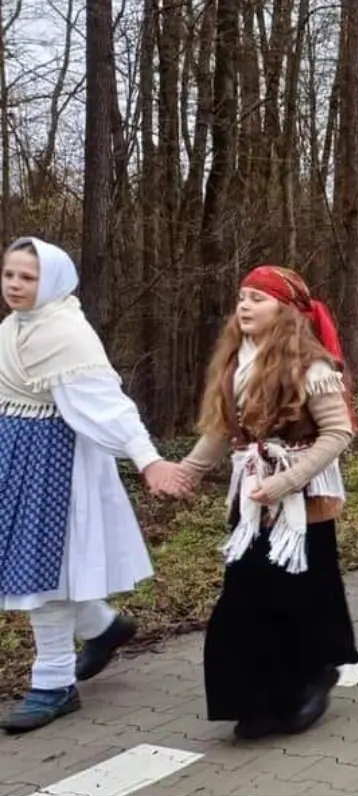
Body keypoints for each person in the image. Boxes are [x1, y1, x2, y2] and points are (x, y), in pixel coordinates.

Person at [0, 237, 191, 734]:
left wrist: (148, 460)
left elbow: (109, 405)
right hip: (17, 459)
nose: (16, 285)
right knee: (35, 568)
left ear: (53, 282)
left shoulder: (64, 333)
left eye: (28, 277)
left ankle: (54, 684)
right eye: (10, 275)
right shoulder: (14, 328)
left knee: (47, 573)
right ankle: (103, 628)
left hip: (58, 464)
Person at [179, 265, 358, 740]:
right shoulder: (235, 362)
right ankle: (255, 698)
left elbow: (339, 432)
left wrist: (289, 482)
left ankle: (311, 679)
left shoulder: (312, 367)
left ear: (285, 309)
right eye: (242, 296)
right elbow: (222, 431)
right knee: (245, 595)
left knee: (300, 594)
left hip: (303, 499)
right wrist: (187, 471)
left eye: (257, 298)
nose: (244, 305)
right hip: (251, 496)